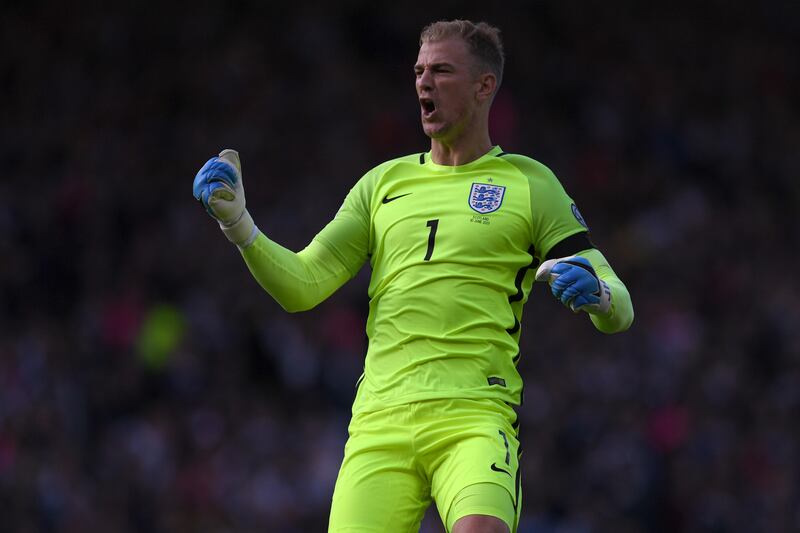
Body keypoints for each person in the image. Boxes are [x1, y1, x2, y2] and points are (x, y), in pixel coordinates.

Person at [192, 19, 633, 533]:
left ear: (483, 86)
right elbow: (303, 286)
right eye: (419, 71)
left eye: (442, 71)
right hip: (380, 423)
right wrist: (239, 224)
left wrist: (599, 295)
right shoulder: (382, 184)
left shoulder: (530, 183)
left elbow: (620, 306)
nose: (424, 82)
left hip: (473, 417)